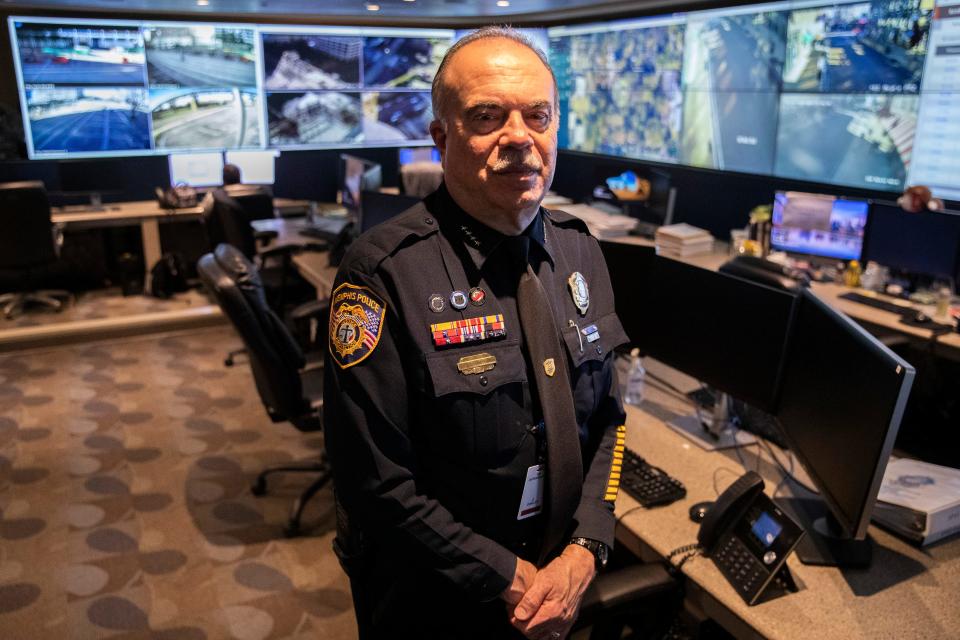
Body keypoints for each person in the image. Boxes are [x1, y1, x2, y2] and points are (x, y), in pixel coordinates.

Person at [324, 27, 629, 640]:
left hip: (559, 585)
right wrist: (508, 578)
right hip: (438, 601)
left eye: (538, 116)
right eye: (488, 116)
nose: (519, 137)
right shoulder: (382, 272)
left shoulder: (580, 251)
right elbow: (374, 482)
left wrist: (586, 549)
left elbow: (609, 425)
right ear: (441, 137)